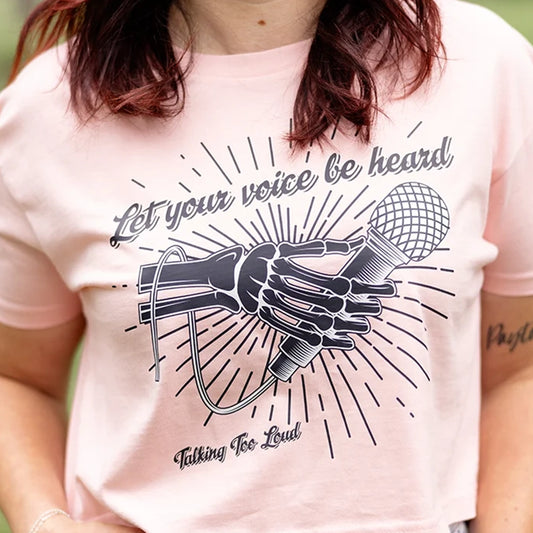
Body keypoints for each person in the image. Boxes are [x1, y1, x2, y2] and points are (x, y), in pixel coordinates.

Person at [0, 0, 532, 532]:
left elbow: (521, 368)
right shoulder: (48, 113)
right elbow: (16, 376)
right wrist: (47, 523)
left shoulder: (480, 63)